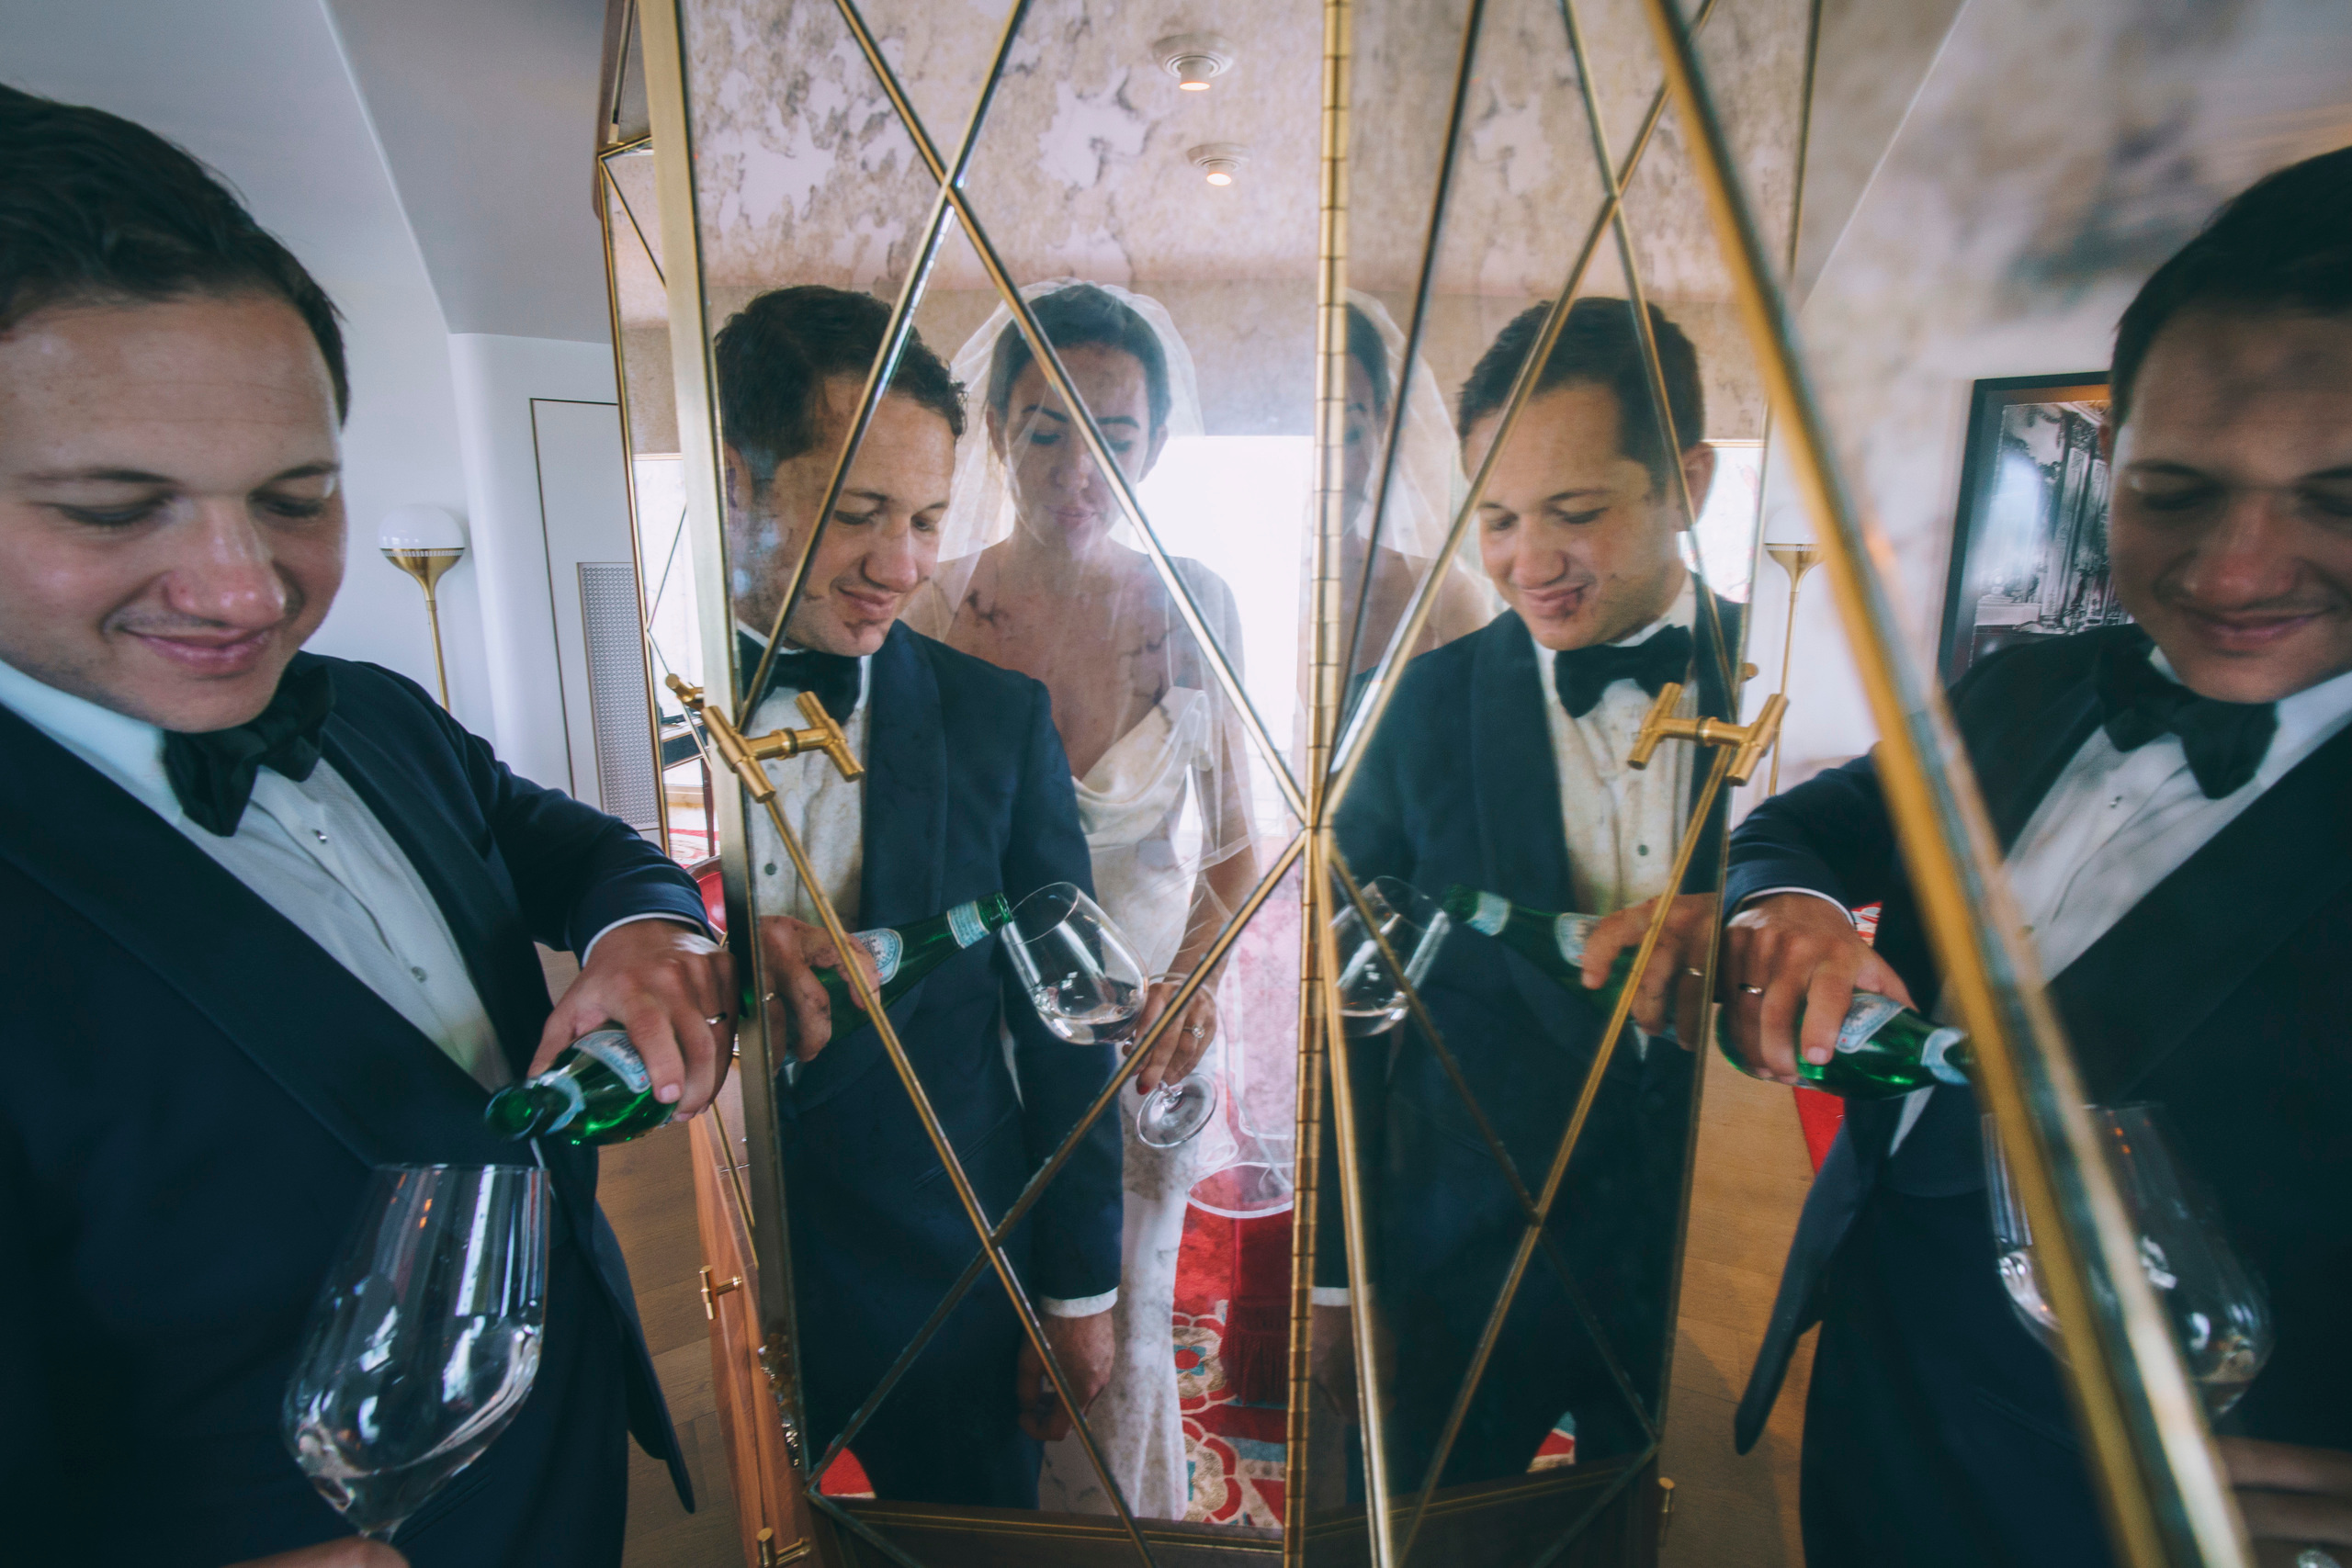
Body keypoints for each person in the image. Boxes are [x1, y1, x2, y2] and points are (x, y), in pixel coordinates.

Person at [0, 86, 731, 1567]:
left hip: (569, 1457)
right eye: (113, 509)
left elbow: (571, 843)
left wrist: (647, 927)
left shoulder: (376, 710)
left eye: (295, 497)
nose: (245, 591)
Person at [1718, 146, 2352, 1568]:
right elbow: (1801, 826)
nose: (2235, 569)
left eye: (2340, 497)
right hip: (1873, 1395)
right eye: (2176, 491)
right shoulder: (2024, 687)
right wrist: (1795, 905)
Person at [715, 286, 1125, 1511]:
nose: (899, 567)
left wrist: (1078, 1292)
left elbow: (1069, 1024)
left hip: (952, 1274)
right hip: (715, 1277)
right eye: (857, 514)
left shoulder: (999, 724)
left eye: (929, 519)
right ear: (739, 483)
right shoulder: (642, 702)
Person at [1326, 296, 1739, 1490]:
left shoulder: (1784, 671)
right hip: (1459, 1253)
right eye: (1498, 520)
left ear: (1689, 485)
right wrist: (1342, 1281)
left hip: (1705, 1266)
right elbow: (1346, 1008)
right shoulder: (1418, 706)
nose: (1531, 563)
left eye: (1576, 512)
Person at [905, 280, 1261, 1520]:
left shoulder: (1199, 604)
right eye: (1047, 429)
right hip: (977, 1044)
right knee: (990, 1320)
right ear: (997, 430)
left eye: (1114, 433)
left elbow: (1236, 846)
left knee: (1129, 1318)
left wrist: (1189, 985)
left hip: (1145, 1041)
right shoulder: (934, 606)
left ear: (1155, 442)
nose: (1079, 469)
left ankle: (1127, 1531)